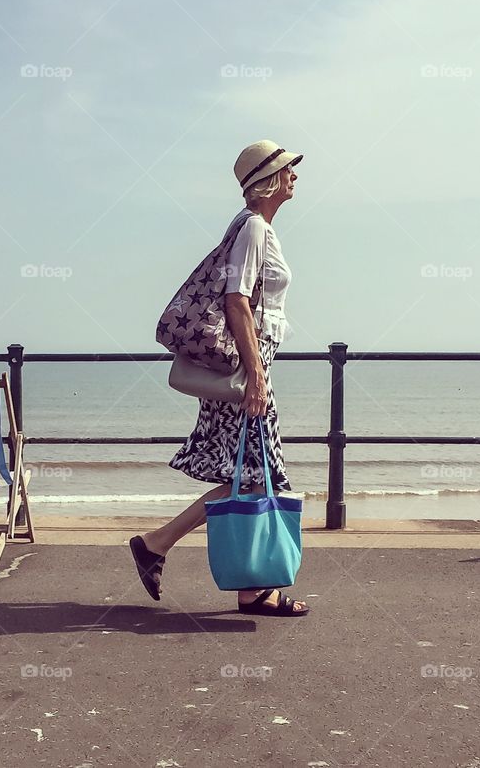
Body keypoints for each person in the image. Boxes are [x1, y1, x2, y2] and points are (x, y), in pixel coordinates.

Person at [130, 139, 309, 617]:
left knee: (249, 476)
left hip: (247, 365)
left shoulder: (251, 227)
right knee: (256, 475)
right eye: (288, 169)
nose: (295, 176)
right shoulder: (253, 229)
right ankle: (163, 546)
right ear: (267, 180)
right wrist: (255, 377)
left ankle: (235, 581)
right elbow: (237, 302)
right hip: (246, 368)